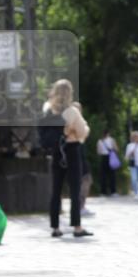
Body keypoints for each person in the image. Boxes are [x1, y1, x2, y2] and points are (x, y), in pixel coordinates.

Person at [45, 80, 95, 238]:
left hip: (56, 151)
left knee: (56, 190)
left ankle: (55, 227)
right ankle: (77, 227)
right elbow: (82, 132)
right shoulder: (72, 111)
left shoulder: (48, 109)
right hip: (72, 151)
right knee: (74, 190)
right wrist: (83, 128)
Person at [96, 129, 119, 196]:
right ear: (108, 133)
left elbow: (98, 152)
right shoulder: (112, 140)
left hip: (104, 158)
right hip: (110, 157)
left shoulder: (100, 141)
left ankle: (103, 192)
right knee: (112, 176)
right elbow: (116, 149)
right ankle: (113, 192)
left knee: (103, 176)